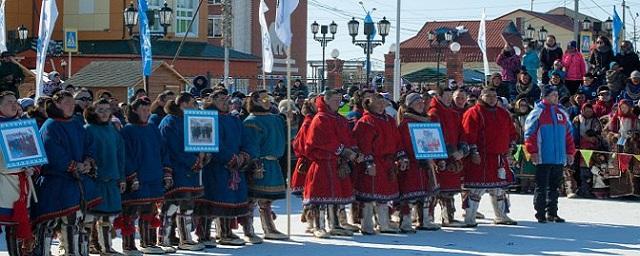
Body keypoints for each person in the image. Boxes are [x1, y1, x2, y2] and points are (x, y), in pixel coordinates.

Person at [32, 90, 101, 255]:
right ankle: (42, 251)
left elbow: (89, 144)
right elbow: (52, 152)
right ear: (57, 104)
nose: (71, 106)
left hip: (76, 182)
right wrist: (73, 166)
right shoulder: (50, 126)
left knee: (74, 220)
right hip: (55, 181)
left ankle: (72, 252)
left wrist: (87, 162)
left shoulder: (77, 124)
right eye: (67, 103)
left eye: (72, 103)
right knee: (48, 221)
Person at [303, 90, 363, 238]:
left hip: (337, 162)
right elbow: (323, 141)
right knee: (320, 195)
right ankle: (319, 225)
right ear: (326, 101)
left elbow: (348, 138)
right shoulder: (320, 118)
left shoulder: (340, 119)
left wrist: (354, 151)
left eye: (339, 100)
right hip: (323, 162)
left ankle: (335, 224)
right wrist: (345, 151)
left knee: (336, 195)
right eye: (335, 100)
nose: (338, 103)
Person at [196, 89, 250, 246]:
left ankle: (226, 232)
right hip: (215, 167)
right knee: (212, 199)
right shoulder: (207, 119)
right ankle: (204, 234)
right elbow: (211, 142)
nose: (225, 102)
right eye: (221, 99)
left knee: (231, 198)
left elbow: (246, 140)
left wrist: (244, 155)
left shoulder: (235, 120)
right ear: (212, 101)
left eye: (227, 99)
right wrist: (230, 158)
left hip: (234, 168)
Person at [119, 97, 173, 254]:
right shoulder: (127, 130)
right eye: (143, 110)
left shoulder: (152, 129)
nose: (146, 113)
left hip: (154, 177)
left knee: (150, 212)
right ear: (134, 110)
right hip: (138, 178)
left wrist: (166, 172)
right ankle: (128, 245)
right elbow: (125, 156)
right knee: (131, 213)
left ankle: (149, 242)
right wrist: (131, 175)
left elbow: (163, 151)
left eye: (148, 110)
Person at [158, 92, 207, 251]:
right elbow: (172, 149)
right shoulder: (169, 122)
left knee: (188, 204)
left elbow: (199, 140)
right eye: (193, 103)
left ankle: (185, 238)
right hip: (176, 169)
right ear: (183, 104)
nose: (195, 106)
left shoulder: (189, 120)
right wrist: (192, 161)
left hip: (191, 170)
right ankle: (163, 238)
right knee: (172, 204)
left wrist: (203, 154)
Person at [462, 88, 518, 227]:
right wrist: (473, 152)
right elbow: (468, 134)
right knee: (476, 190)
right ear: (482, 97)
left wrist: (511, 145)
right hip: (481, 158)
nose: (492, 98)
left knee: (499, 190)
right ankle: (470, 217)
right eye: (488, 96)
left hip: (499, 158)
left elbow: (511, 131)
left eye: (494, 96)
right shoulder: (474, 112)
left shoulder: (503, 113)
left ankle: (501, 215)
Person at [353, 93, 407, 234]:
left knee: (384, 196)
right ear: (369, 105)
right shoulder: (365, 122)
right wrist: (368, 163)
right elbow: (363, 145)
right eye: (378, 104)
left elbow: (397, 141)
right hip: (373, 162)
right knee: (369, 196)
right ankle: (366, 224)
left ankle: (384, 223)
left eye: (383, 103)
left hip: (387, 162)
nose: (381, 106)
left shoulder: (389, 120)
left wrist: (401, 157)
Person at [242, 90, 289, 241]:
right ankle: (249, 230)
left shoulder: (276, 119)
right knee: (252, 199)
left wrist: (289, 119)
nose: (267, 101)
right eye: (263, 99)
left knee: (267, 200)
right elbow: (251, 145)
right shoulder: (251, 121)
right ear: (254, 101)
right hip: (259, 163)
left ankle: (269, 228)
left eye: (268, 98)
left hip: (274, 162)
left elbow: (287, 135)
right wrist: (255, 163)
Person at [524, 85, 576, 223]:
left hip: (558, 158)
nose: (556, 97)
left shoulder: (561, 112)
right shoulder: (537, 112)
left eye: (556, 95)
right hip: (543, 156)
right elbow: (529, 134)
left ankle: (552, 212)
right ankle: (540, 213)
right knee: (542, 186)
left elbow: (569, 135)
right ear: (545, 96)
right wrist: (532, 151)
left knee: (554, 187)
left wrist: (570, 152)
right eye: (553, 95)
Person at [83, 99, 126, 255]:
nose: (104, 113)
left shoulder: (113, 130)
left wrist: (121, 177)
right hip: (94, 180)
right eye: (100, 110)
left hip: (111, 179)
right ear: (93, 112)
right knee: (89, 217)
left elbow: (120, 155)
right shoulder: (87, 130)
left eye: (107, 110)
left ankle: (106, 247)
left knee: (107, 218)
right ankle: (86, 246)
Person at [397, 93, 440, 232]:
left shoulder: (426, 121)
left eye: (422, 102)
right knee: (409, 194)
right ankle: (406, 221)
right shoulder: (406, 123)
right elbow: (402, 143)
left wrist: (435, 155)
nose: (421, 104)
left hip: (426, 162)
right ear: (410, 105)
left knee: (426, 194)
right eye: (417, 103)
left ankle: (424, 220)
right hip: (412, 163)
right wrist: (406, 157)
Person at [0, 92, 36, 256]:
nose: (14, 105)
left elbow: (34, 154)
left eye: (16, 102)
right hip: (2, 182)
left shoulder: (24, 126)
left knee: (16, 225)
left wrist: (32, 167)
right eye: (9, 102)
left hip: (21, 183)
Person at [427, 87, 467, 227]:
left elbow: (461, 133)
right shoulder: (434, 114)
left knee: (449, 190)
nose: (449, 99)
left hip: (454, 155)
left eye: (451, 96)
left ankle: (448, 216)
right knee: (435, 189)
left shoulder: (453, 114)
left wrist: (462, 149)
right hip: (439, 156)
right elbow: (435, 136)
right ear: (439, 96)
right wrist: (449, 152)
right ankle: (428, 217)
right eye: (447, 96)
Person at [290, 96, 318, 234]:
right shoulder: (309, 123)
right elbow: (302, 144)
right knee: (310, 193)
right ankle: (311, 220)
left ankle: (309, 217)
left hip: (309, 160)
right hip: (308, 161)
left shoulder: (311, 121)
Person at [572, 103, 605, 198]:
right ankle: (579, 188)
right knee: (576, 170)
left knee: (590, 170)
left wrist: (592, 138)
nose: (588, 113)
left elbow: (598, 134)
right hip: (578, 147)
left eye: (590, 111)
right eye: (586, 111)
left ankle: (588, 189)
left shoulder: (595, 121)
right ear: (582, 110)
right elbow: (573, 132)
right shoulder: (577, 119)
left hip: (592, 149)